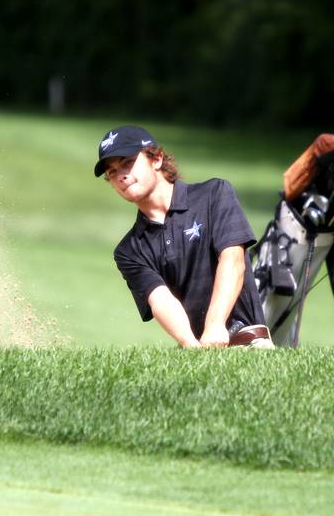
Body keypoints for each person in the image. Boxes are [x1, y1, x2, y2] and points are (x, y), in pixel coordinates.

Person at [94, 125, 273, 348]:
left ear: (157, 159)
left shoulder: (214, 194)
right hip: (196, 350)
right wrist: (190, 344)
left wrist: (215, 325)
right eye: (111, 172)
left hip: (246, 340)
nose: (121, 175)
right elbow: (161, 299)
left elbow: (233, 261)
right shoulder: (129, 250)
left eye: (127, 163)